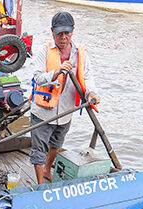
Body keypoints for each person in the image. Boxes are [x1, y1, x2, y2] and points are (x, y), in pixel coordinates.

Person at [29, 11, 100, 184]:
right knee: (39, 150)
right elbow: (38, 77)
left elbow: (88, 76)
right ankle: (40, 184)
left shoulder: (80, 52)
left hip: (66, 111)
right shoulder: (43, 51)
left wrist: (91, 92)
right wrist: (57, 72)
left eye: (67, 33)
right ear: (52, 31)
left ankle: (47, 170)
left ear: (72, 31)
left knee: (56, 144)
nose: (63, 37)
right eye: (59, 33)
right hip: (43, 112)